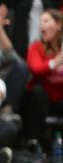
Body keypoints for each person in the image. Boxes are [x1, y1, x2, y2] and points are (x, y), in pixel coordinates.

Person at [22, 10, 63, 153]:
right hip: (41, 98)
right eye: (40, 22)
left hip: (60, 98)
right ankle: (33, 140)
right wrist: (56, 61)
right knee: (37, 92)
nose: (41, 26)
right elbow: (36, 69)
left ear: (58, 25)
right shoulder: (36, 47)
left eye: (46, 21)